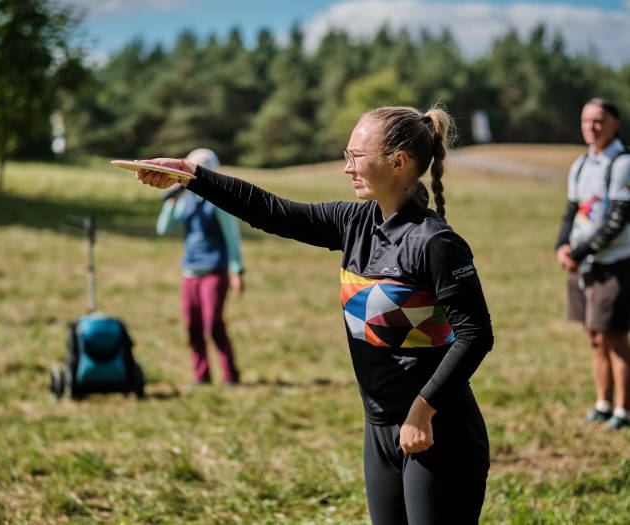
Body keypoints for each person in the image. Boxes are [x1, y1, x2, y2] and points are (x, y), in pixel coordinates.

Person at [136, 106, 493, 524]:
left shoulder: (435, 243)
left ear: (398, 162)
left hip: (438, 430)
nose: (347, 168)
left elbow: (476, 334)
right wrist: (190, 174)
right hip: (379, 429)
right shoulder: (355, 224)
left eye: (356, 157)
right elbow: (269, 210)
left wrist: (423, 410)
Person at [555, 98, 630, 430]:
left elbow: (616, 220)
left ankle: (623, 410)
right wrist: (561, 246)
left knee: (615, 338)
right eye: (586, 120)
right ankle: (602, 404)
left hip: (613, 263)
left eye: (599, 120)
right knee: (594, 337)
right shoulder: (581, 165)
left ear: (614, 123)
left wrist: (579, 253)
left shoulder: (623, 163)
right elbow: (572, 212)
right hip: (583, 265)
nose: (591, 127)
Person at [156, 148, 243, 386]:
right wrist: (172, 199)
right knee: (192, 327)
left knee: (213, 324)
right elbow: (163, 228)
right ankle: (201, 376)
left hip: (215, 271)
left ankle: (230, 376)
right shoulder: (186, 201)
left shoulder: (218, 202)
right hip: (190, 272)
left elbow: (232, 237)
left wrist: (237, 270)